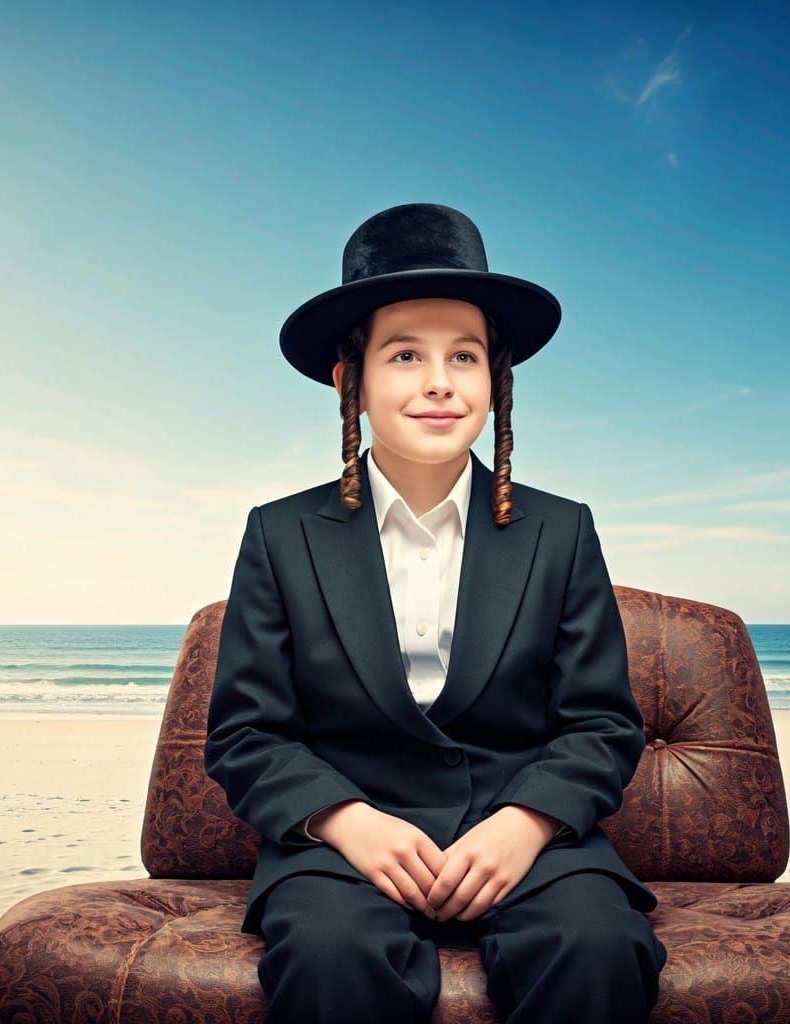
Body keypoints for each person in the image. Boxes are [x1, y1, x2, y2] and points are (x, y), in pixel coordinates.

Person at [204, 202, 668, 1023]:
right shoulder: (278, 535)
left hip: (529, 840)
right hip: (343, 849)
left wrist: (525, 823)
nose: (439, 382)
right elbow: (246, 733)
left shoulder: (563, 529)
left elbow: (601, 723)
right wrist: (347, 822)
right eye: (406, 353)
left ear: (497, 379)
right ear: (350, 380)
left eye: (466, 355)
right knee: (330, 955)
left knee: (598, 947)